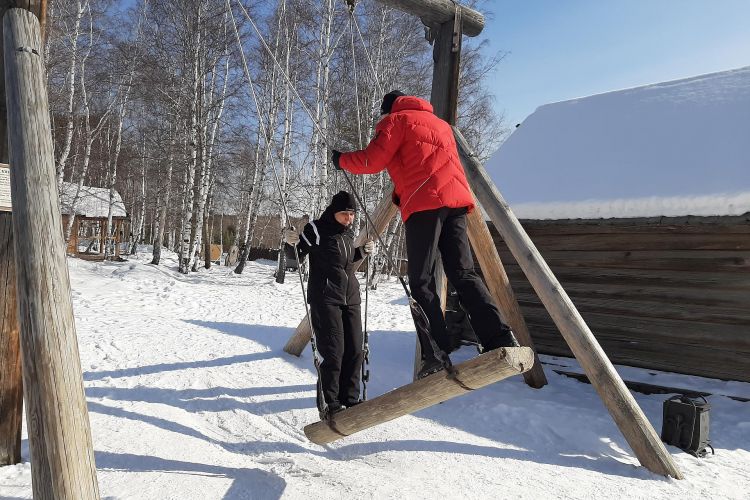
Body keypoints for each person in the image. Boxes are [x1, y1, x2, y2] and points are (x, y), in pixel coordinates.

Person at [331, 90, 519, 380]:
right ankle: (498, 337)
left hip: (423, 204)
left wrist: (341, 160)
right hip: (456, 203)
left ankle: (436, 352)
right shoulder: (441, 125)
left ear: (388, 108)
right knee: (464, 272)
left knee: (421, 280)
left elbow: (372, 160)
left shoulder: (396, 121)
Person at [283, 191, 375, 417]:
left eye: (352, 214)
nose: (349, 219)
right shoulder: (316, 229)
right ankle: (330, 404)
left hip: (350, 297)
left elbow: (343, 259)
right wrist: (288, 242)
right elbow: (296, 257)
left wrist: (361, 251)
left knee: (354, 350)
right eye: (345, 214)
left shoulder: (346, 234)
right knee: (334, 352)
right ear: (334, 212)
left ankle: (350, 400)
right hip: (325, 298)